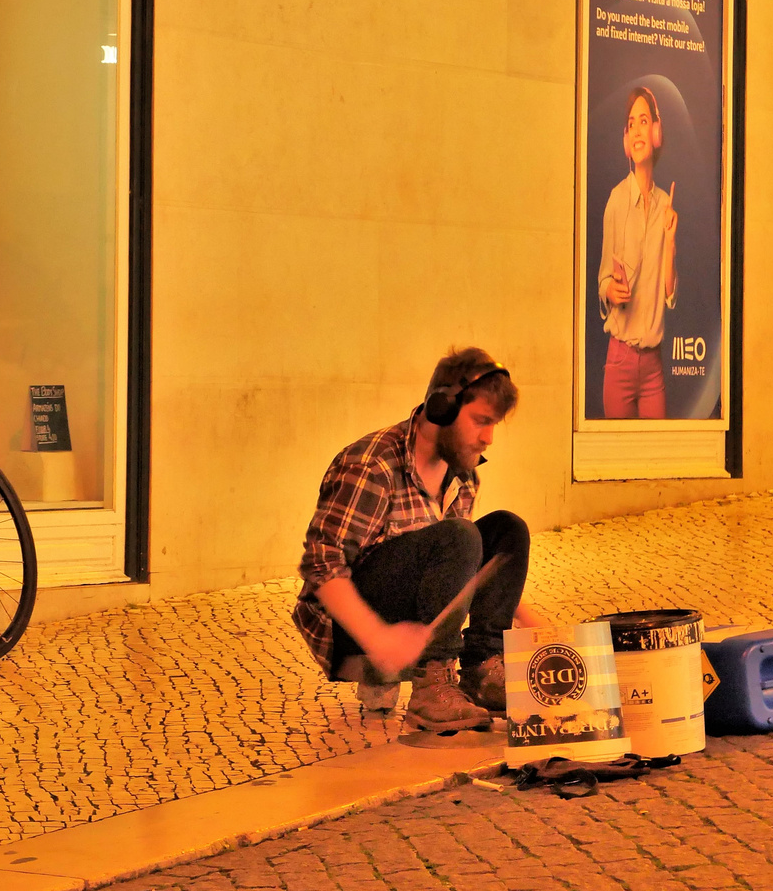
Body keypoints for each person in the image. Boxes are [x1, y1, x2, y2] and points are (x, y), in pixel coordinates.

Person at [291, 348, 544, 733]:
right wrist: (376, 636)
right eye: (480, 421)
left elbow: (466, 565)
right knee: (459, 534)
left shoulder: (462, 472)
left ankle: (482, 671)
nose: (489, 438)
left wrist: (532, 621)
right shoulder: (372, 466)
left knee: (507, 529)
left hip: (414, 614)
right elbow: (321, 566)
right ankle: (432, 688)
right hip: (351, 628)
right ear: (441, 408)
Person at [598, 85, 679, 418]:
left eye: (644, 121)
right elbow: (603, 278)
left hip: (653, 367)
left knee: (656, 464)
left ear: (656, 132)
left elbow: (669, 295)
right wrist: (610, 290)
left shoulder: (666, 206)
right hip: (619, 360)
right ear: (626, 139)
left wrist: (671, 240)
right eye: (632, 123)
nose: (637, 130)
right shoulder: (616, 201)